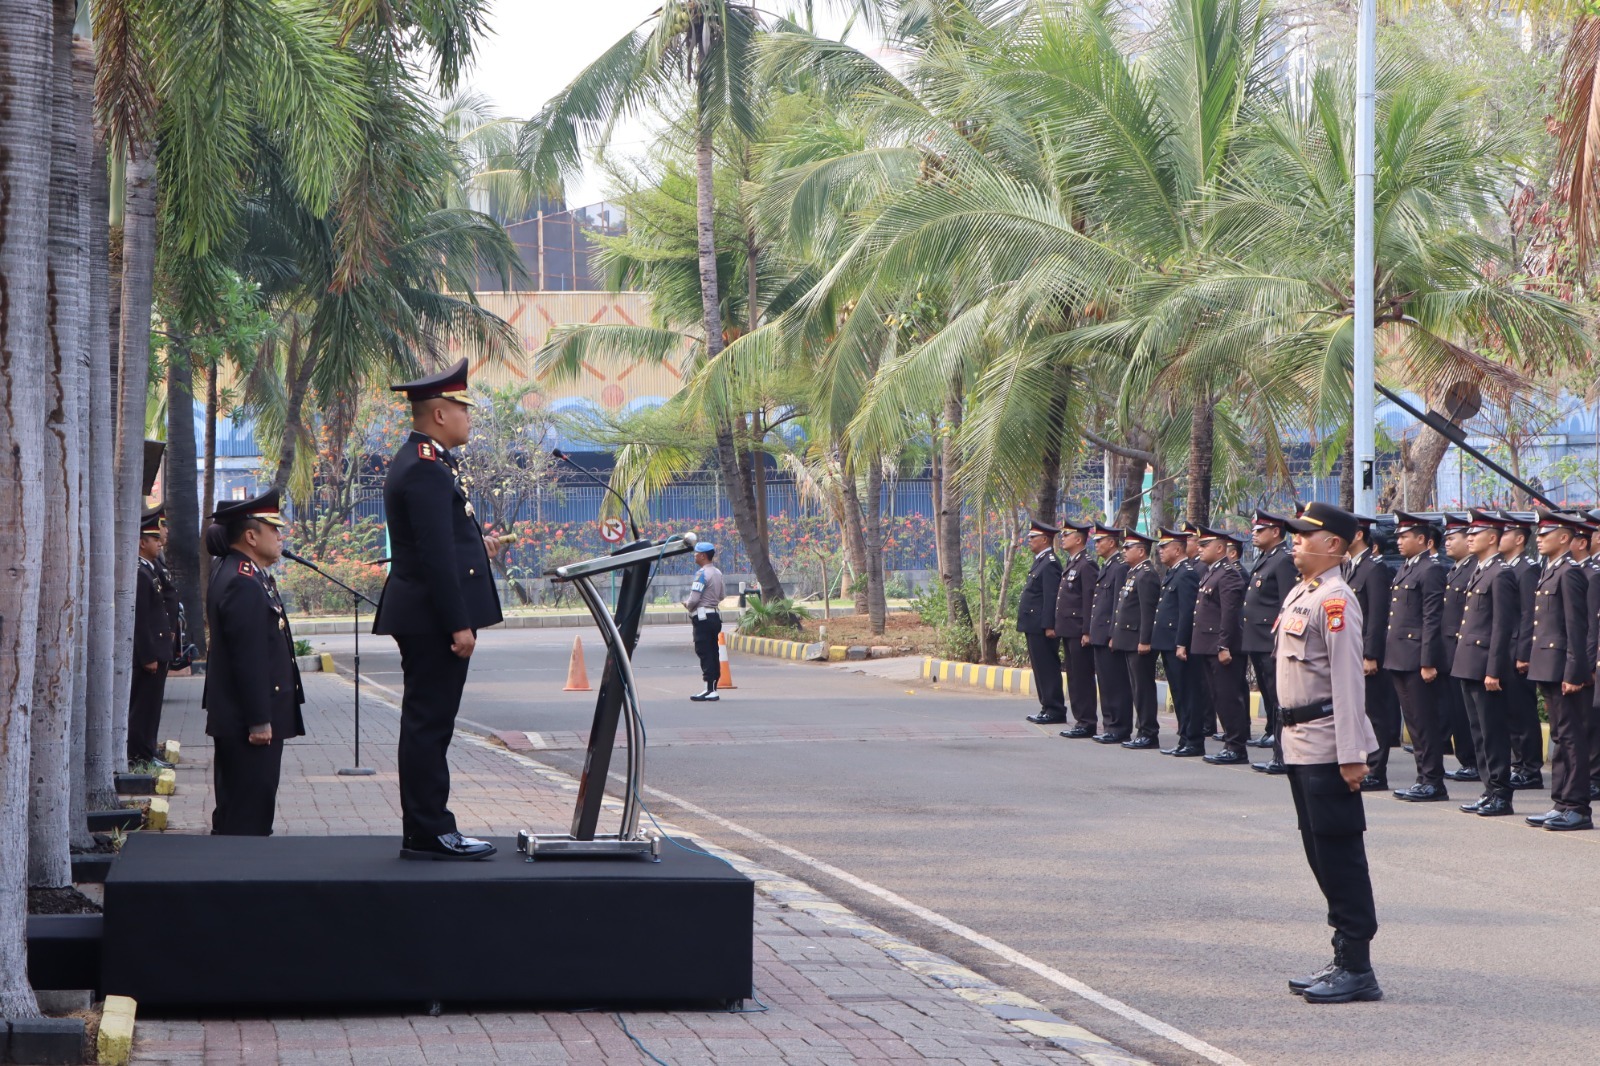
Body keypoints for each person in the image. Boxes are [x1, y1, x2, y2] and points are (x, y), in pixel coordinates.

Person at [373, 357, 505, 861]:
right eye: (463, 408)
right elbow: (432, 556)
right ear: (440, 413)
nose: (470, 418)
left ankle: (425, 827)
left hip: (426, 613)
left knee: (430, 722)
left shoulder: (428, 462)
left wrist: (478, 544)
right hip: (432, 618)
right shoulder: (425, 468)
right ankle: (430, 829)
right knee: (430, 723)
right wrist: (459, 623)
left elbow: (442, 540)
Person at [1276, 501, 1383, 1004]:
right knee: (1319, 852)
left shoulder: (1336, 599)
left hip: (1325, 745)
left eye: (1304, 535)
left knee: (1340, 855)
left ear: (1334, 545)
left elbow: (1346, 682)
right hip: (1300, 744)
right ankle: (1343, 954)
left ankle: (1358, 967)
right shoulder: (1305, 591)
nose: (1295, 540)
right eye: (1295, 534)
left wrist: (1351, 753)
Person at [202, 492, 305, 836]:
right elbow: (248, 658)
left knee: (240, 809)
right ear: (250, 536)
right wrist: (260, 719)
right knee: (248, 816)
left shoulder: (236, 571)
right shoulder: (242, 581)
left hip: (241, 716)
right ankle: (237, 885)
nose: (280, 537)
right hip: (248, 722)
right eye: (273, 529)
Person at [1522, 510, 1592, 831]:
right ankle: (1561, 802)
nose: (1539, 538)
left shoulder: (1570, 573)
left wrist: (1574, 672)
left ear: (1565, 538)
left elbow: (1577, 629)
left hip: (1563, 668)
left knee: (1572, 737)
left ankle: (1577, 806)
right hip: (1548, 666)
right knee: (1562, 738)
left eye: (1545, 533)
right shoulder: (1551, 571)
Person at [1453, 510, 1521, 818]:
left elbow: (1502, 627)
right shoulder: (1481, 570)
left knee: (1492, 732)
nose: (1468, 538)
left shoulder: (1501, 573)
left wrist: (1494, 669)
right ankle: (1489, 789)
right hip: (1469, 662)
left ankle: (1501, 794)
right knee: (1478, 731)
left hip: (1486, 666)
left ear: (1491, 538)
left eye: (1474, 534)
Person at [1385, 513, 1449, 803]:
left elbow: (1431, 618)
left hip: (1416, 657)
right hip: (1400, 655)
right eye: (1398, 536)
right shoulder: (1407, 568)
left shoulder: (1431, 569)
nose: (1398, 541)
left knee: (1424, 722)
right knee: (1413, 722)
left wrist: (1427, 660)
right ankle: (1423, 777)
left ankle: (1433, 780)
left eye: (1404, 536)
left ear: (1422, 539)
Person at [1245, 511, 1299, 773]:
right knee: (1270, 699)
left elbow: (1285, 605)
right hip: (1258, 640)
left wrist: (1280, 640)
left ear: (1275, 532)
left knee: (1279, 700)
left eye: (1259, 530)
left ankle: (1282, 755)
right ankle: (1277, 751)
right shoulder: (1268, 558)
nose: (1254, 534)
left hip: (1271, 641)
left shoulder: (1283, 560)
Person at [1190, 528, 1248, 765]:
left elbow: (1230, 614)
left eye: (1205, 545)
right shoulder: (1210, 572)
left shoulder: (1228, 574)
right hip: (1207, 645)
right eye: (1200, 545)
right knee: (1218, 696)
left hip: (1221, 646)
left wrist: (1224, 645)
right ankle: (1230, 742)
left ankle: (1236, 747)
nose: (1200, 549)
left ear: (1220, 548)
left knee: (1228, 696)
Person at [1498, 512, 1545, 791]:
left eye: (1504, 534)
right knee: (1510, 713)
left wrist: (1523, 653)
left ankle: (1530, 768)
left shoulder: (1526, 569)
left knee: (1522, 713)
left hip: (1518, 649)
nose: (1499, 538)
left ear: (1518, 539)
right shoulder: (1508, 566)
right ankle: (1519, 765)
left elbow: (1529, 614)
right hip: (1506, 648)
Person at [129, 506, 175, 767]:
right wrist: (147, 655)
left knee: (152, 707)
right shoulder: (140, 572)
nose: (159, 543)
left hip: (159, 649)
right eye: (154, 539)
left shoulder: (150, 568)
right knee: (142, 708)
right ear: (141, 542)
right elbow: (141, 620)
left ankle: (147, 749)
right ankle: (139, 754)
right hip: (149, 654)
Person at [1438, 514, 1480, 783]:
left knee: (1469, 713)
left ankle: (1475, 762)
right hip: (1451, 650)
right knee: (1457, 709)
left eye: (1453, 538)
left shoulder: (1474, 568)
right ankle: (1467, 759)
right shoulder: (1456, 569)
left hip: (1464, 648)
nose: (1447, 543)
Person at [1154, 529, 1203, 756]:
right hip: (1168, 642)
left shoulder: (1186, 574)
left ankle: (1193, 740)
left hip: (1178, 644)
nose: (1160, 551)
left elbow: (1187, 612)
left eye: (1164, 547)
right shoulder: (1174, 572)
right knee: (1178, 693)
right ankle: (1184, 738)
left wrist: (1182, 643)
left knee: (1187, 693)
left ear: (1177, 548)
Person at [1112, 530, 1161, 749]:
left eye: (1127, 547)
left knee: (1143, 689)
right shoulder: (1134, 573)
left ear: (1141, 551)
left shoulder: (1147, 574)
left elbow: (1147, 611)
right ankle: (1142, 729)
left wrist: (1145, 640)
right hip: (1129, 639)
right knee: (1136, 688)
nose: (1123, 551)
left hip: (1138, 641)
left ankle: (1148, 732)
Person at [1054, 521, 1100, 738]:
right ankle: (1080, 719)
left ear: (1079, 539)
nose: (1063, 537)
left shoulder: (1087, 564)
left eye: (1067, 534)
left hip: (1079, 629)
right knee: (1073, 676)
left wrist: (1087, 630)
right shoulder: (1072, 562)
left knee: (1082, 677)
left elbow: (1089, 599)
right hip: (1068, 628)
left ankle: (1087, 721)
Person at [1019, 519, 1066, 725]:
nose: (1028, 541)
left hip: (1041, 625)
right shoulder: (1041, 560)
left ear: (1044, 539)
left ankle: (1055, 708)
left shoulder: (1050, 563)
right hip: (1034, 624)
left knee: (1047, 667)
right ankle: (1046, 706)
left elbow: (1051, 597)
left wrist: (1049, 625)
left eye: (1032, 537)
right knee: (1040, 668)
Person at [1088, 524, 1131, 743]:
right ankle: (1109, 725)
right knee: (1105, 682)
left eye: (1099, 540)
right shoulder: (1108, 566)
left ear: (1112, 543)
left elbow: (1118, 604)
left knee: (1116, 683)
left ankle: (1119, 727)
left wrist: (1115, 633)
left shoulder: (1119, 567)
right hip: (1100, 633)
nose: (1096, 544)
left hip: (1109, 634)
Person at [684, 541, 727, 702]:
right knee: (713, 651)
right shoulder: (717, 573)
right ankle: (711, 688)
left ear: (702, 556)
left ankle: (709, 689)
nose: (694, 556)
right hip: (715, 616)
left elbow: (694, 598)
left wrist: (688, 605)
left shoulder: (701, 574)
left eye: (696, 553)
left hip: (702, 617)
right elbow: (721, 595)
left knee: (704, 651)